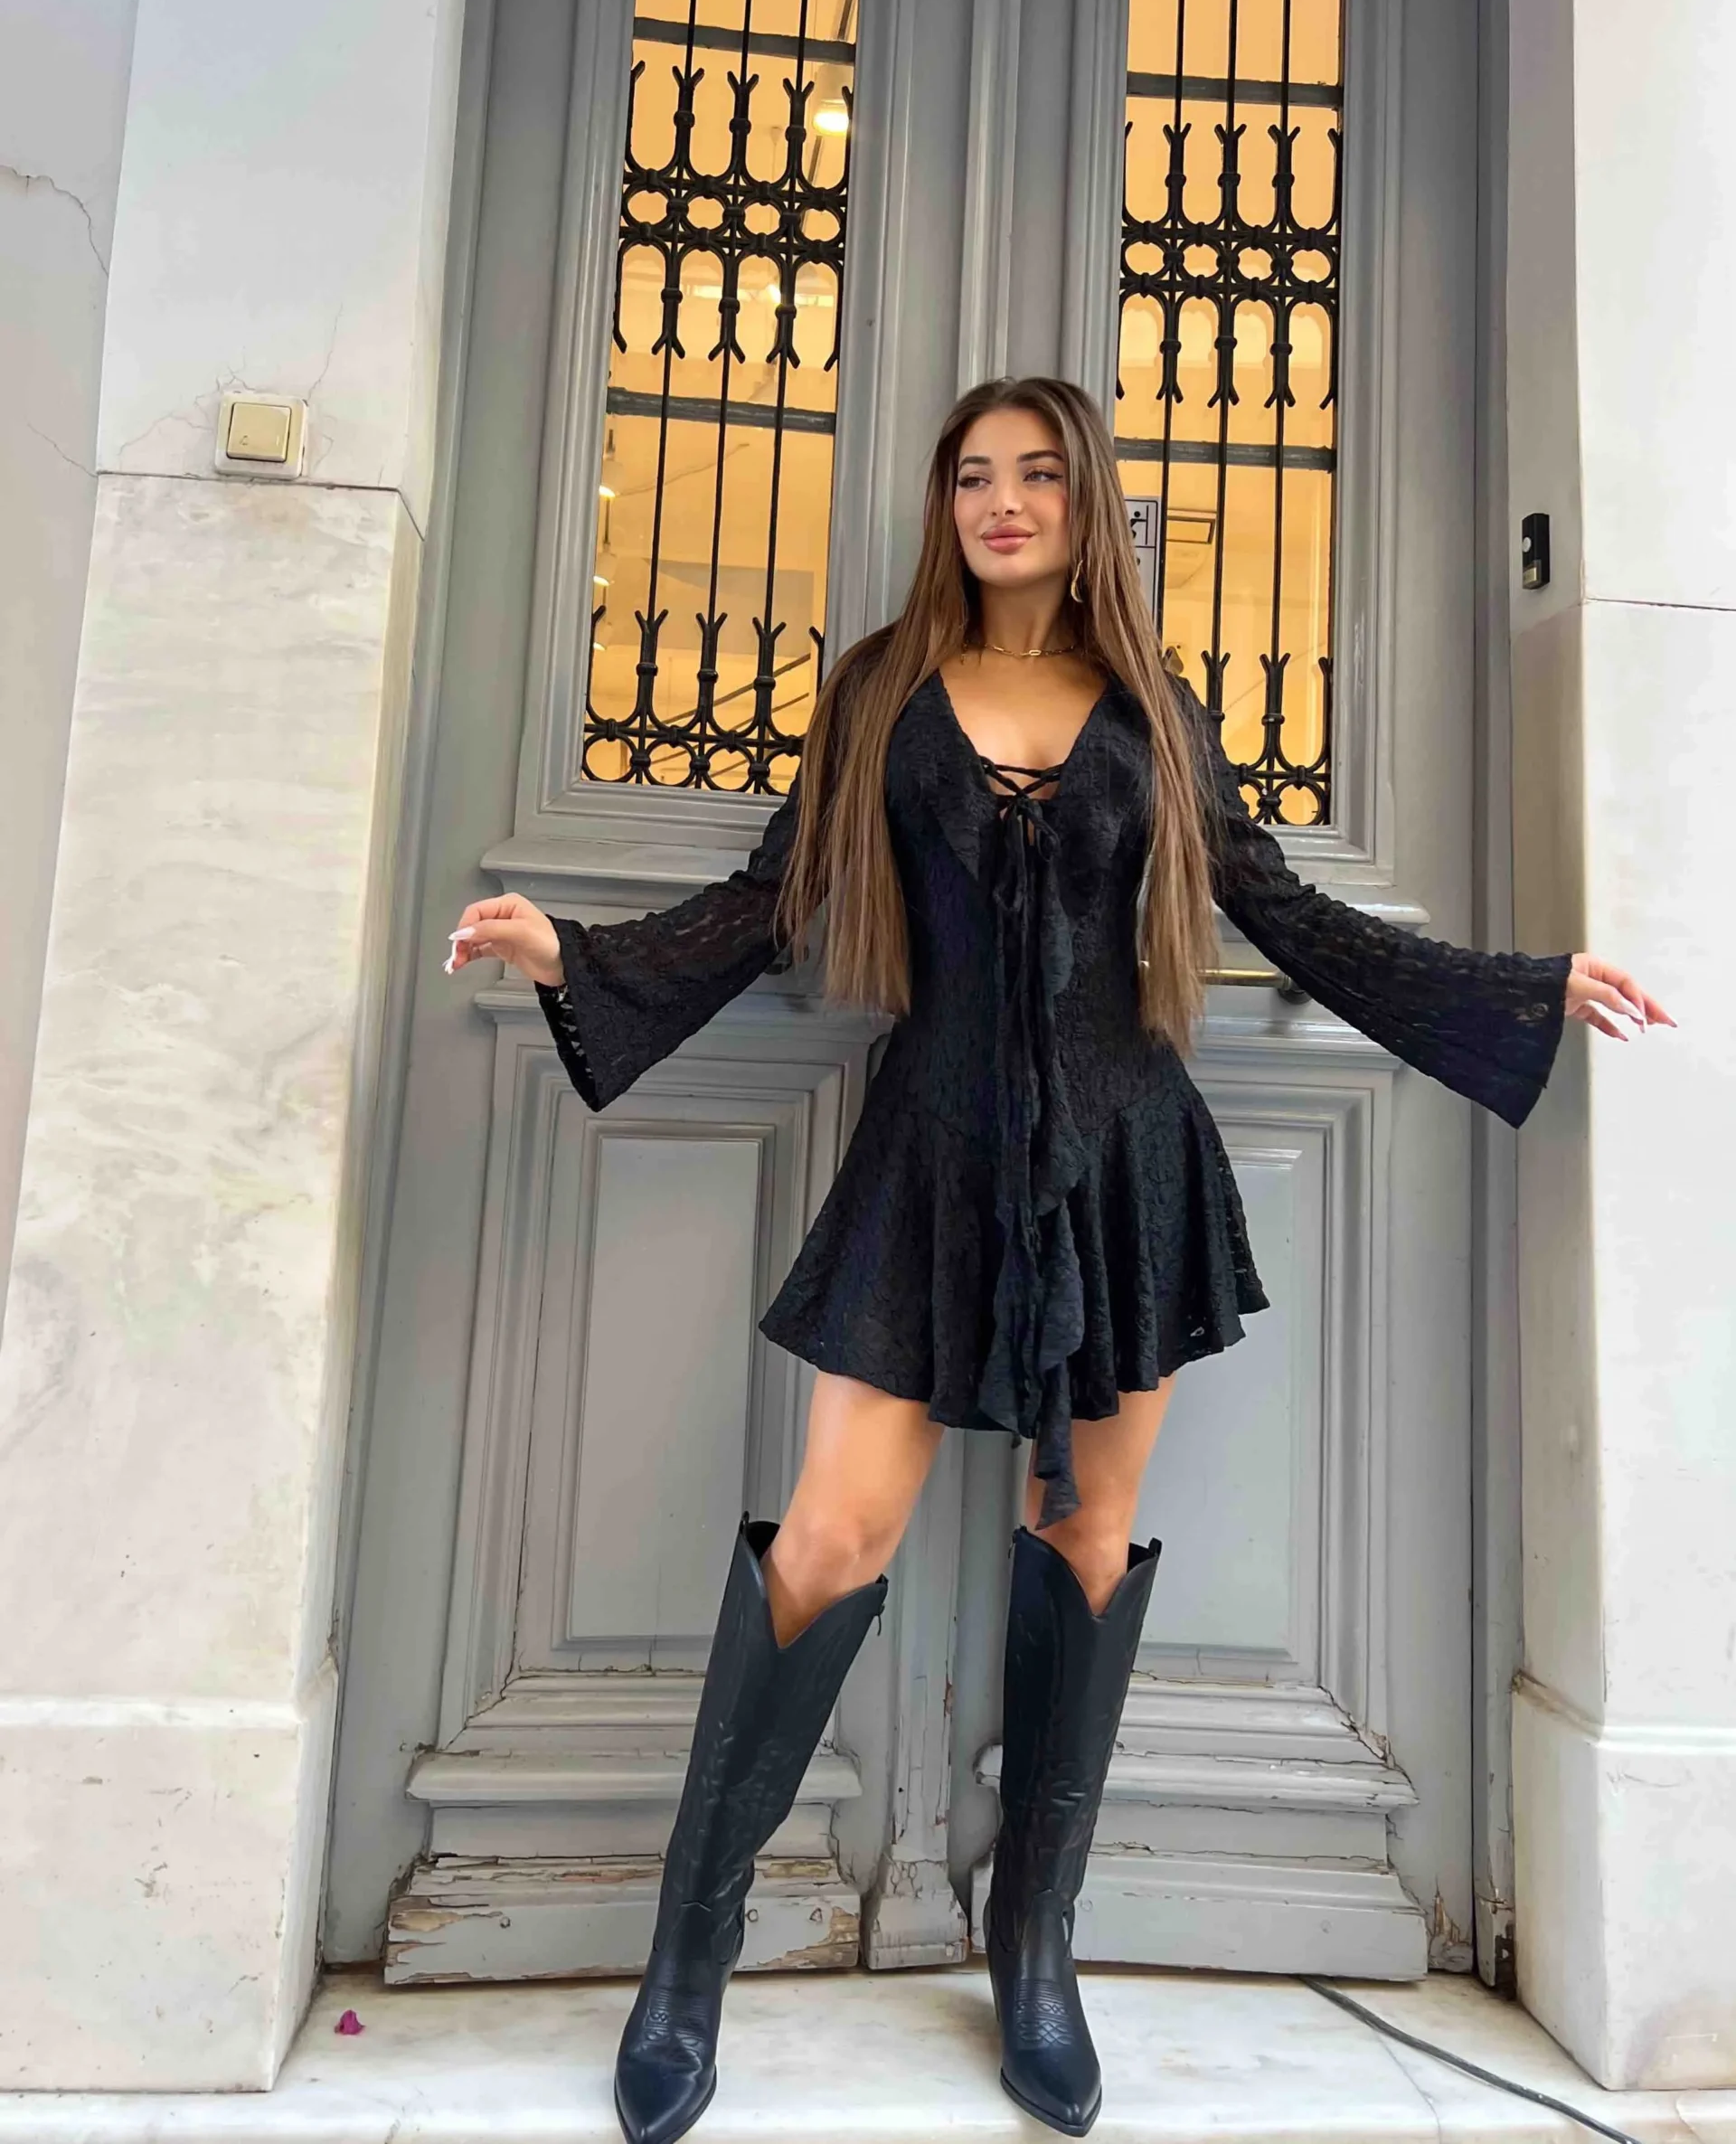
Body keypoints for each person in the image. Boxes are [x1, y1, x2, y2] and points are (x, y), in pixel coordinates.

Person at [447, 375, 1671, 2144]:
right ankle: (685, 1965)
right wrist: (579, 955)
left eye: (1035, 473)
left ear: (1086, 499)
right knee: (831, 1534)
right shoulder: (883, 687)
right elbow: (781, 892)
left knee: (1084, 1535)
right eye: (973, 476)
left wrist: (1517, 988)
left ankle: (1034, 1948)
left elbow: (1282, 909)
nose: (1002, 501)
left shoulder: (1157, 706)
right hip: (931, 1150)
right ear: (945, 503)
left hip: (1123, 1162)